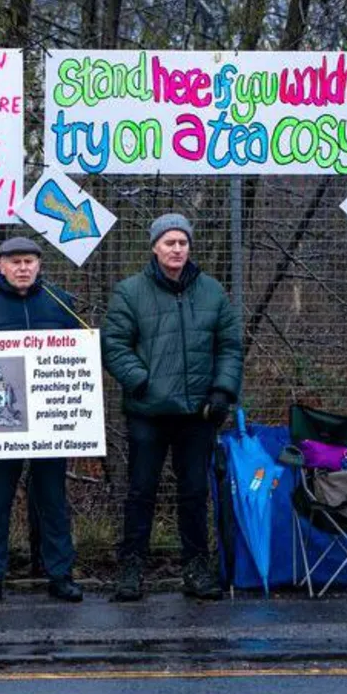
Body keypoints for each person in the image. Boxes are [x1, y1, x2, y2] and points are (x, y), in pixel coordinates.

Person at [102, 213, 242, 601]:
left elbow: (229, 347)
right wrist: (142, 381)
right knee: (140, 492)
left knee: (195, 492)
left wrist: (221, 391)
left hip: (197, 414)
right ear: (154, 247)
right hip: (147, 413)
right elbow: (113, 344)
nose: (177, 249)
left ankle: (196, 569)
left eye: (182, 242)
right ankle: (131, 570)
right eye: (169, 242)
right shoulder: (130, 292)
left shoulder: (212, 292)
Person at [0, 237, 84, 604]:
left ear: (39, 265)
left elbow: (83, 354)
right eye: (15, 261)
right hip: (0, 425)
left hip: (51, 423)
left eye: (29, 261)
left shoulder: (62, 303)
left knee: (53, 500)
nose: (23, 268)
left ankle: (60, 574)